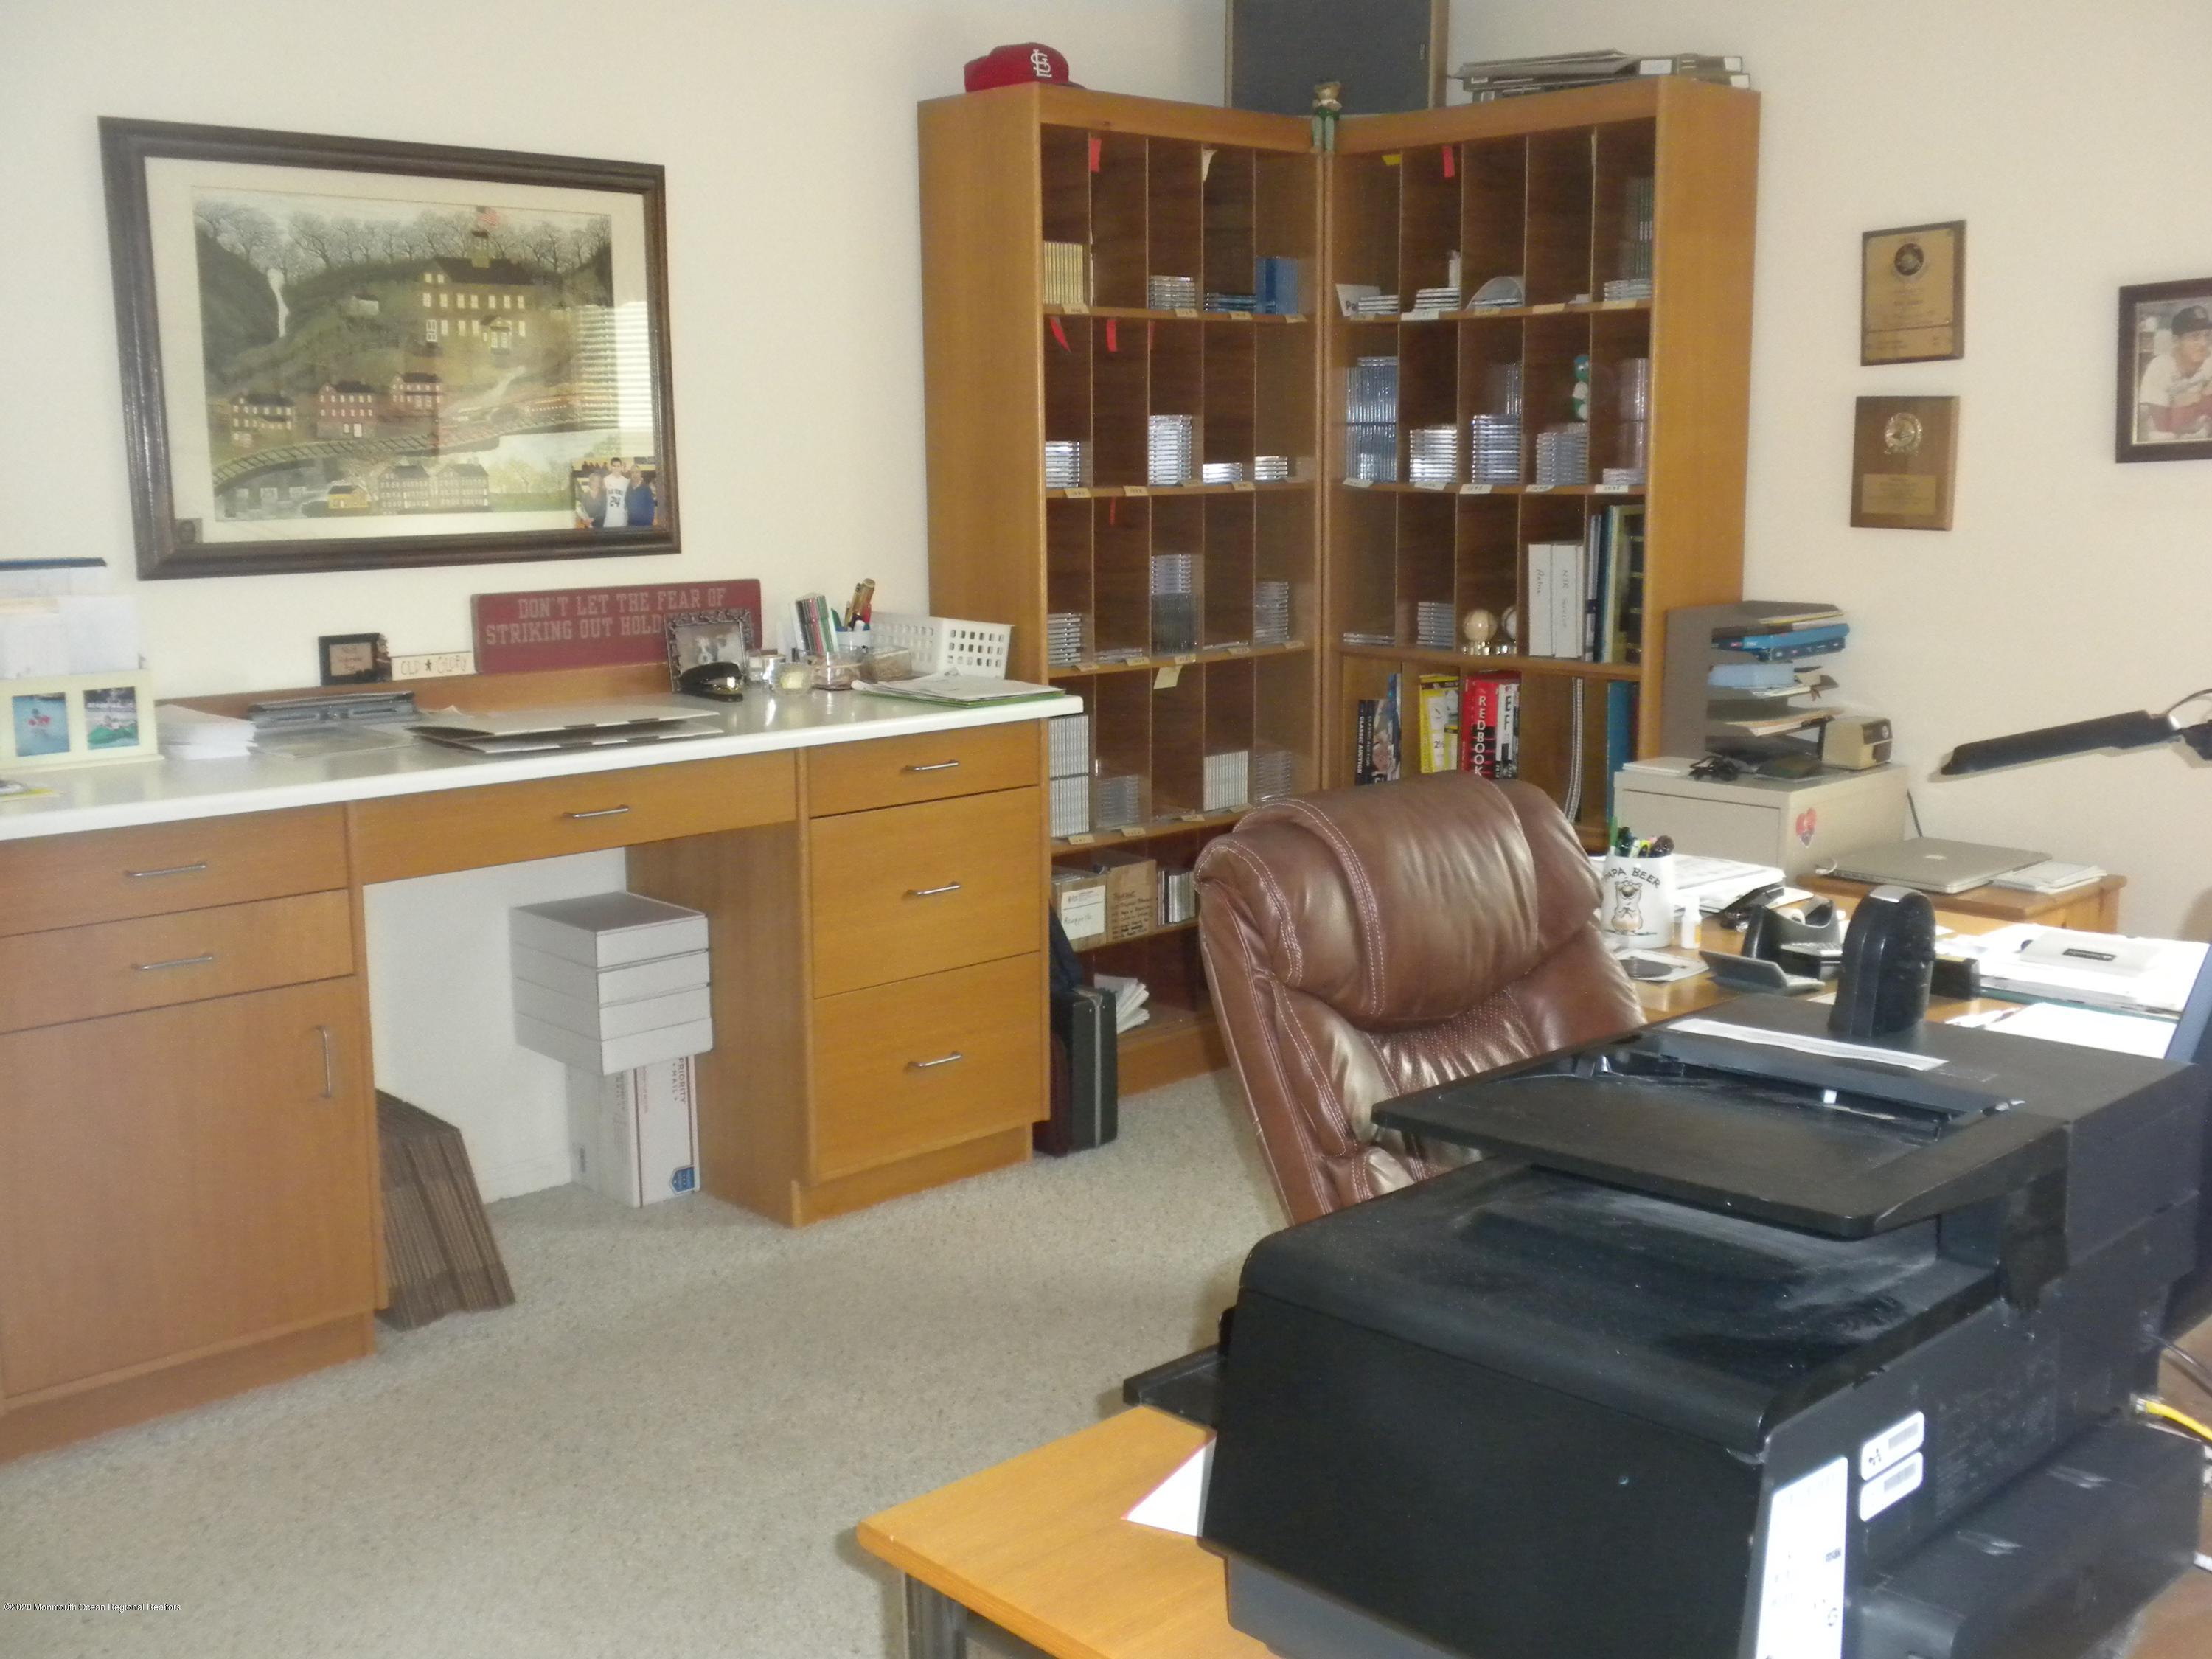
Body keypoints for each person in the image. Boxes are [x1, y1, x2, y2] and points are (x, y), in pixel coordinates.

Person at [2138, 305, 2212, 440]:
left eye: (2207, 335)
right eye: (2195, 337)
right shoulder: (2160, 366)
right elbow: (2163, 424)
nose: (2203, 343)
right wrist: (2202, 397)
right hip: (2163, 447)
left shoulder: (2210, 362)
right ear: (2176, 341)